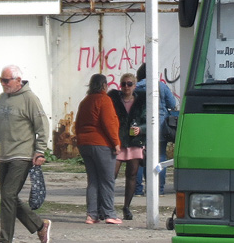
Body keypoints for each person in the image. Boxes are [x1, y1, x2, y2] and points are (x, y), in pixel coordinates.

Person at [0, 65, 52, 243]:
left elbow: (42, 126)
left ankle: (5, 241)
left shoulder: (30, 99)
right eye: (1, 80)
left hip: (23, 155)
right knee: (8, 197)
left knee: (8, 196)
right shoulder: (2, 99)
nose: (3, 84)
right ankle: (40, 226)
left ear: (18, 81)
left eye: (6, 80)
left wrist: (40, 151)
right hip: (6, 155)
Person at [75, 74, 122, 224]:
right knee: (107, 180)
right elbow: (109, 123)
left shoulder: (84, 102)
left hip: (85, 143)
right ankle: (109, 213)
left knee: (93, 180)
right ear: (104, 85)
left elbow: (77, 124)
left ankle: (92, 214)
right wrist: (116, 143)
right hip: (101, 144)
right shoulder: (104, 100)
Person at [134, 63, 179, 196]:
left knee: (140, 157)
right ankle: (157, 189)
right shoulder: (161, 86)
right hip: (159, 127)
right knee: (160, 157)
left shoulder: (135, 88)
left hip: (140, 127)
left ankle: (137, 190)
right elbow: (172, 104)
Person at [109, 72, 146, 220]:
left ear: (135, 86)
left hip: (135, 142)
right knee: (111, 175)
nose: (126, 87)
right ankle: (107, 205)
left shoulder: (141, 101)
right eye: (123, 84)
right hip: (118, 141)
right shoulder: (114, 100)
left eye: (129, 84)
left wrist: (141, 129)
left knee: (132, 175)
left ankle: (127, 207)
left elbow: (150, 120)